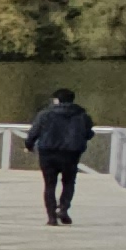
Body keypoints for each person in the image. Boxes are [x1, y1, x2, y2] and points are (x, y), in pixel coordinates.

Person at [24, 88, 94, 225]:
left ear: (57, 100)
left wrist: (29, 145)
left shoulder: (45, 114)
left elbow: (34, 132)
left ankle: (51, 217)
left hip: (48, 153)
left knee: (49, 184)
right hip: (71, 154)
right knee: (68, 182)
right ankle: (63, 209)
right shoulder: (82, 115)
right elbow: (89, 134)